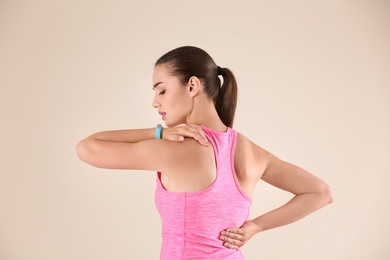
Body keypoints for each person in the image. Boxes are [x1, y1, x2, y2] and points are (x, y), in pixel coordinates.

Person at [77, 46, 333, 259]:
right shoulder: (250, 150)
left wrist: (158, 132)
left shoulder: (177, 149)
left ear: (192, 86)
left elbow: (87, 147)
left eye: (162, 90)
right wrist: (255, 227)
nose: (155, 101)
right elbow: (320, 193)